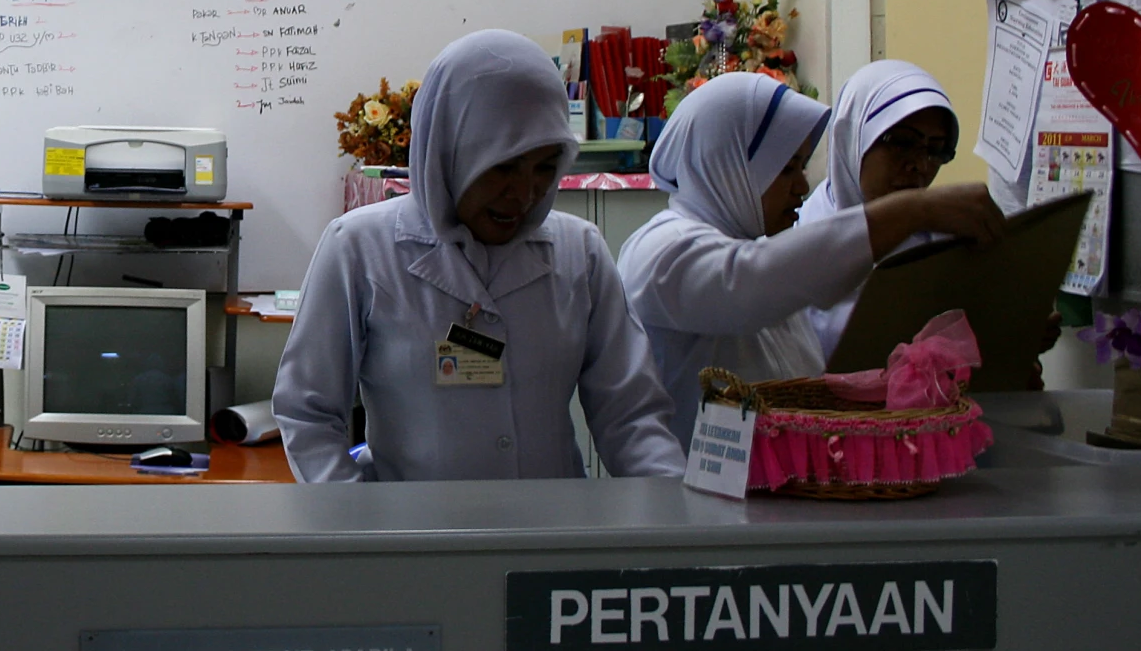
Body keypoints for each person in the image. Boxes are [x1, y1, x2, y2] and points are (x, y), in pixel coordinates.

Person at [272, 30, 683, 482]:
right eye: (502, 166)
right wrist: (360, 531)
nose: (524, 194)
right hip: (415, 540)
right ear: (448, 150)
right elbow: (308, 412)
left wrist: (672, 516)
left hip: (553, 537)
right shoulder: (360, 249)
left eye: (545, 167)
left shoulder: (578, 253)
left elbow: (631, 417)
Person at [617, 71, 1004, 443]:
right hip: (689, 498)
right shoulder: (661, 250)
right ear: (729, 165)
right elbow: (749, 282)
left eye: (801, 166)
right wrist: (912, 210)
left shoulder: (760, 246)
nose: (802, 186)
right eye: (787, 169)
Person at [796, 61, 959, 355]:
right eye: (902, 142)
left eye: (936, 150)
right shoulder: (795, 246)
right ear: (852, 136)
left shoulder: (948, 244)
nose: (920, 166)